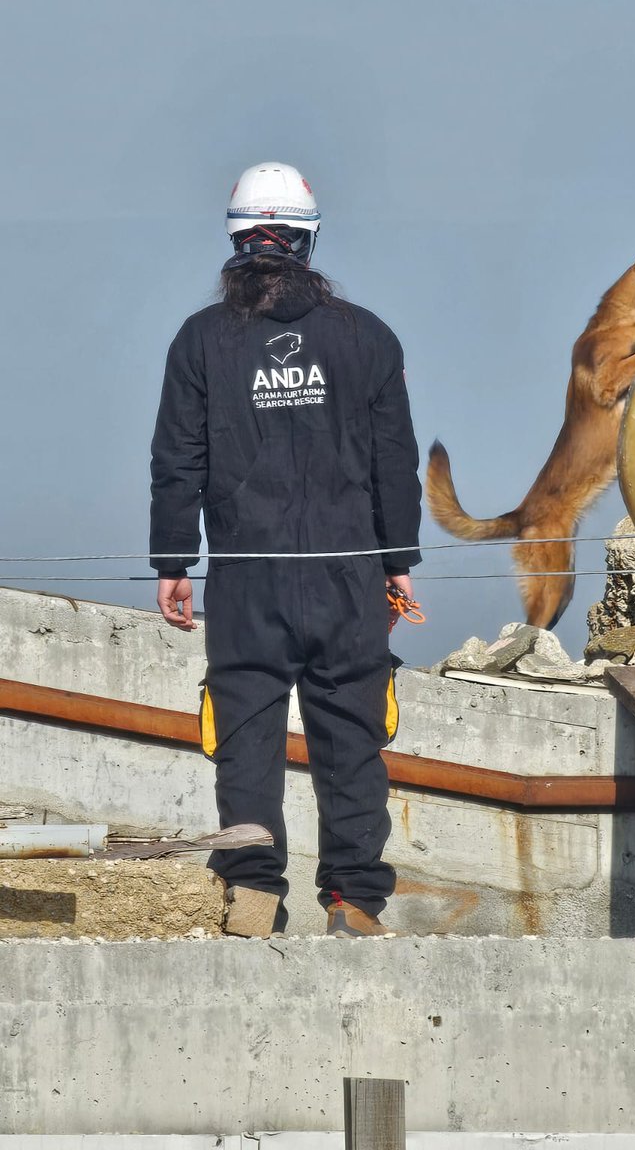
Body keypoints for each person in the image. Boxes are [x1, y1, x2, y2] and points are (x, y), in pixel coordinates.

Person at [150, 161, 422, 938]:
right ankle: (355, 902)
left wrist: (173, 563)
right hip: (348, 576)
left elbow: (178, 459)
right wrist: (397, 563)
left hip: (246, 578)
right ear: (307, 239)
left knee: (245, 736)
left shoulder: (200, 340)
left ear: (237, 236)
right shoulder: (368, 336)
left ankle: (252, 895)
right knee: (352, 737)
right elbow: (392, 461)